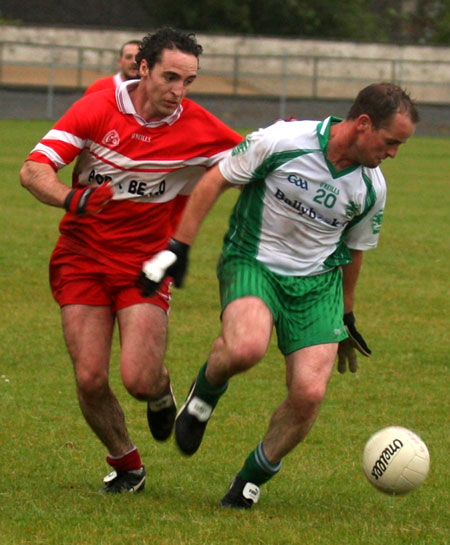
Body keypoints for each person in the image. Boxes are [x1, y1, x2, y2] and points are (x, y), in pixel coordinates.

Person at [139, 82, 419, 508]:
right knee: (247, 348)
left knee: (309, 393)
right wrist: (180, 246)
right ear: (363, 124)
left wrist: (347, 315)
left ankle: (250, 480)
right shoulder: (284, 140)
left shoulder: (372, 188)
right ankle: (205, 393)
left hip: (317, 283)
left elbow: (355, 252)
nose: (394, 153)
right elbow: (216, 178)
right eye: (391, 141)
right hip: (254, 260)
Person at [19, 27, 243, 494]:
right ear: (143, 68)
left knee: (139, 379)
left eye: (189, 81)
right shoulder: (97, 108)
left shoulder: (197, 125)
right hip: (80, 256)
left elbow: (252, 162)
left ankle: (160, 392)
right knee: (90, 376)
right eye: (170, 77)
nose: (178, 92)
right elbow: (33, 169)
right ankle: (127, 465)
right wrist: (71, 199)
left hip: (145, 262)